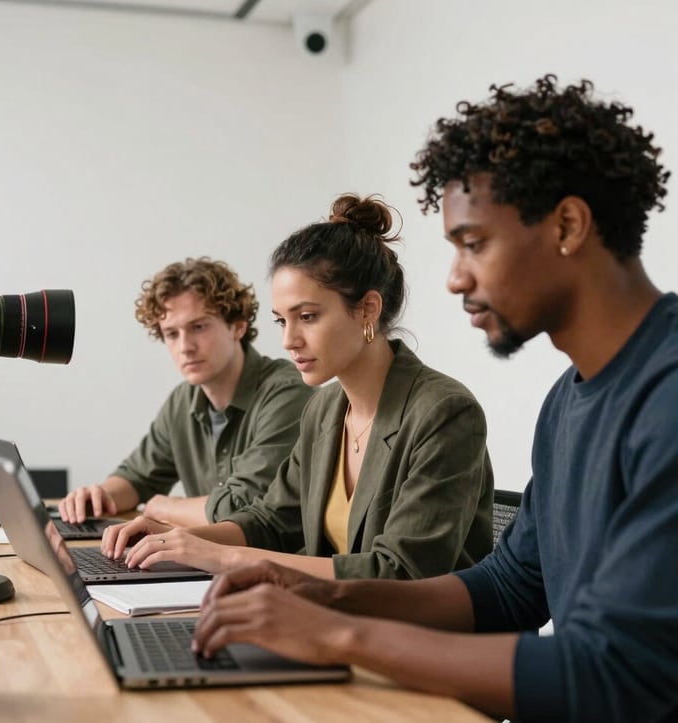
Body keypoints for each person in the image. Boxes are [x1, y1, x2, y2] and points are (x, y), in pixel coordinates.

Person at [190, 76, 678, 723]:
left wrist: (336, 633)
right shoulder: (567, 402)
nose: (454, 278)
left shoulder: (667, 397)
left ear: (567, 224)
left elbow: (616, 672)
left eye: (473, 243)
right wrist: (319, 593)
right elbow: (507, 588)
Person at [101, 193, 494, 580]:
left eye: (306, 316)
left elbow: (401, 572)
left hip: (419, 638)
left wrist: (226, 559)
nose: (289, 340)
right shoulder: (324, 409)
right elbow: (271, 521)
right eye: (281, 321)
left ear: (367, 309)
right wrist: (175, 539)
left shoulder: (444, 412)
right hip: (336, 624)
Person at [59, 257, 313, 527]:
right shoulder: (183, 400)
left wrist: (164, 508)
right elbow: (138, 477)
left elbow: (243, 506)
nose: (185, 347)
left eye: (199, 327)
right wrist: (99, 495)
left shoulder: (287, 393)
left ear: (237, 326)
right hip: (209, 561)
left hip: (276, 565)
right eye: (171, 333)